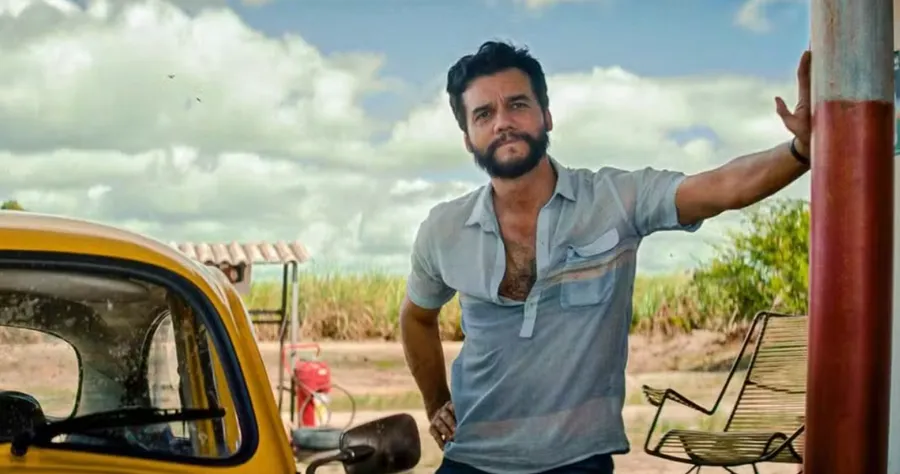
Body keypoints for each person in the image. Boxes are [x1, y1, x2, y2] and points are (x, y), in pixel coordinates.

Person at [399, 40, 811, 474]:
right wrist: (436, 402)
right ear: (468, 138)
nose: (503, 122)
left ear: (546, 115)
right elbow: (416, 317)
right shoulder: (444, 228)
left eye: (517, 104)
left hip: (577, 461)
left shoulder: (615, 200)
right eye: (484, 114)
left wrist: (800, 151)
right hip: (470, 458)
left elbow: (722, 187)